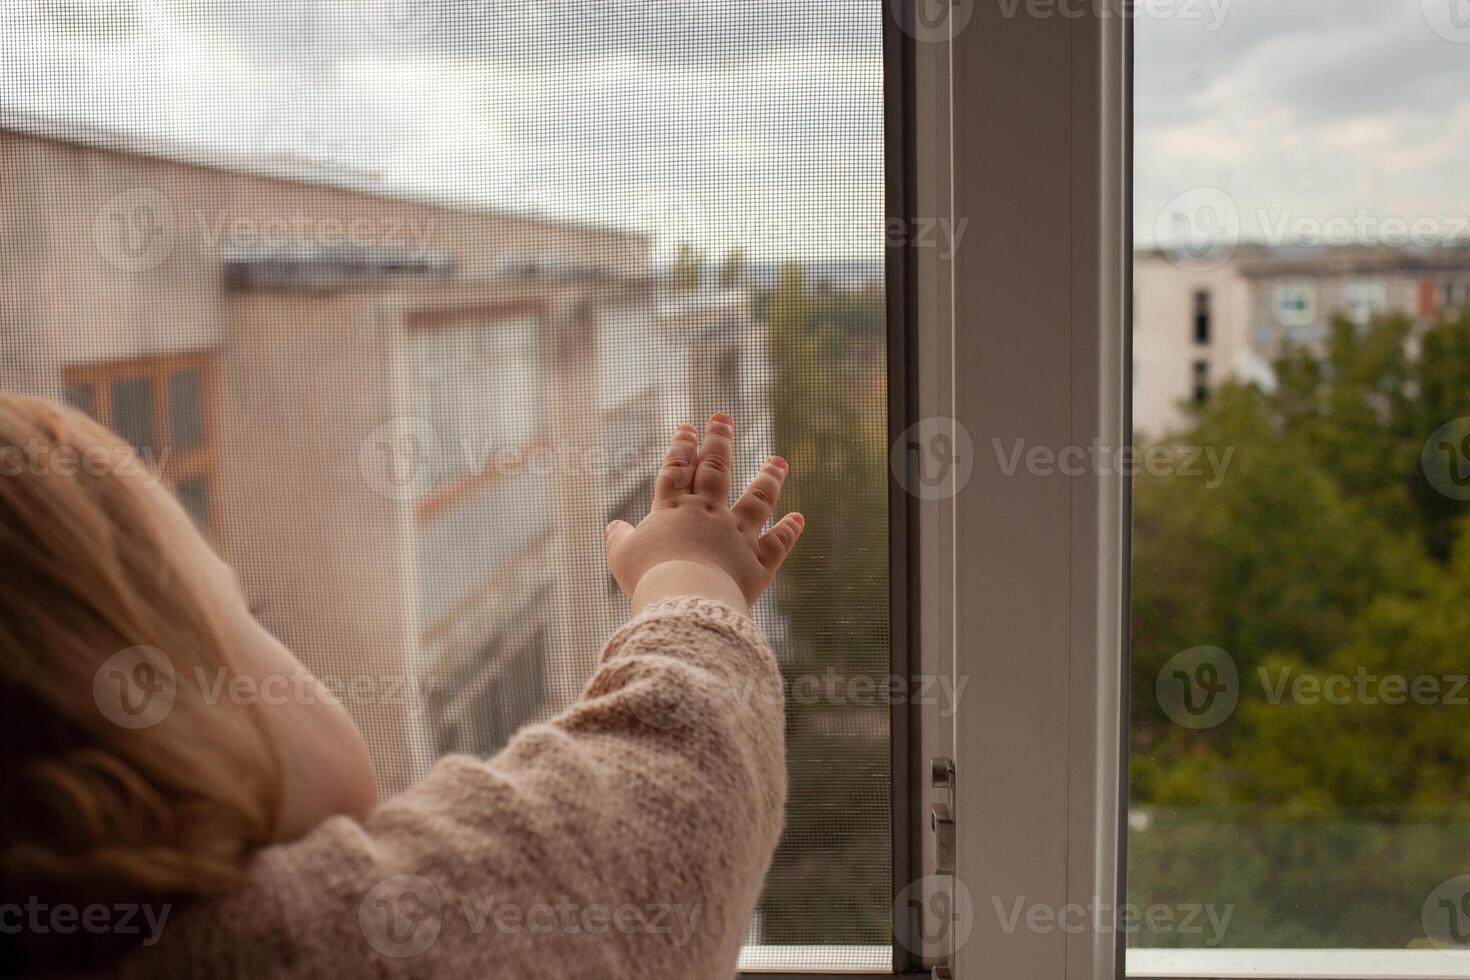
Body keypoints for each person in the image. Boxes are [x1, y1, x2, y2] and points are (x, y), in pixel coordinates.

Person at [0, 396, 804, 978]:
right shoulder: (304, 946)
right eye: (240, 619)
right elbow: (667, 796)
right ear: (162, 750)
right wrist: (689, 574)